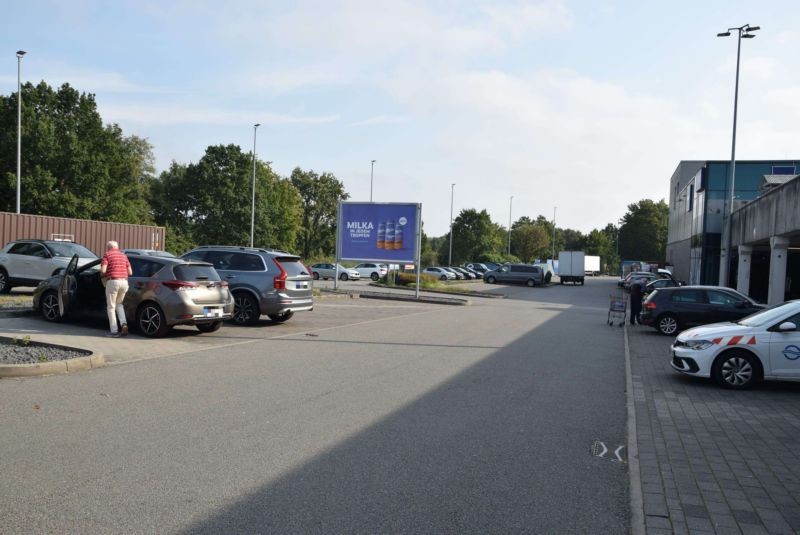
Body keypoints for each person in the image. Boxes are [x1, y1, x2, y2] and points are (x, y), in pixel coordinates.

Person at [100, 240, 132, 337]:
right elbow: (130, 272)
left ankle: (114, 331)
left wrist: (102, 274)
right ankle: (124, 324)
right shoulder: (124, 256)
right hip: (124, 282)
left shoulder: (107, 255)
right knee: (119, 304)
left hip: (113, 282)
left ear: (109, 247)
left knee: (111, 307)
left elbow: (103, 270)